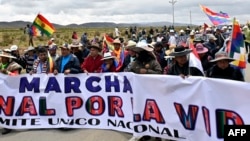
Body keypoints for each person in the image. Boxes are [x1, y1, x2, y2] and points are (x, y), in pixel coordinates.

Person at [0, 51, 22, 134]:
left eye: (4, 57)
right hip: (2, 90)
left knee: (8, 108)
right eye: (1, 57)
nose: (2, 58)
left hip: (10, 90)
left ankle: (8, 125)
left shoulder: (13, 66)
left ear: (8, 58)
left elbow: (16, 77)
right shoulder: (1, 64)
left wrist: (7, 73)